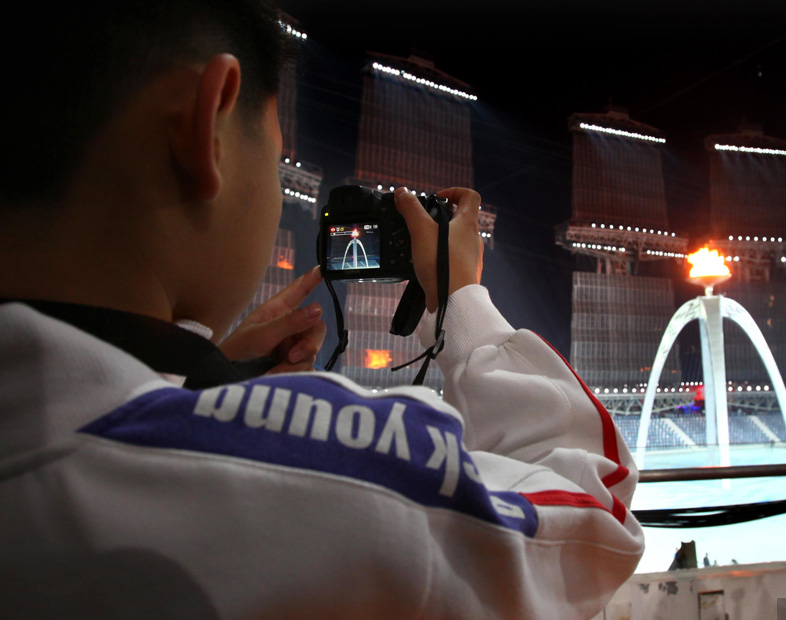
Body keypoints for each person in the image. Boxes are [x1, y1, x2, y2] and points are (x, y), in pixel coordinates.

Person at [0, 1, 644, 618]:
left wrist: (199, 379)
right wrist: (461, 302)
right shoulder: (340, 484)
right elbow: (595, 519)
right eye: (272, 148)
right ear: (205, 123)